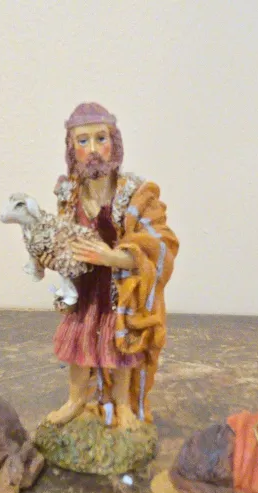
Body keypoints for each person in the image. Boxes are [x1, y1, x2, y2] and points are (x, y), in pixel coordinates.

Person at [45, 102, 179, 430]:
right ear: (71, 148)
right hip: (84, 290)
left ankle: (123, 405)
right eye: (83, 140)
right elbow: (60, 236)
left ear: (114, 143)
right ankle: (76, 400)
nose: (93, 149)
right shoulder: (68, 194)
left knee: (120, 348)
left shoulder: (135, 194)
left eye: (100, 138)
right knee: (79, 347)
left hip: (119, 291)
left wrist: (112, 257)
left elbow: (160, 245)